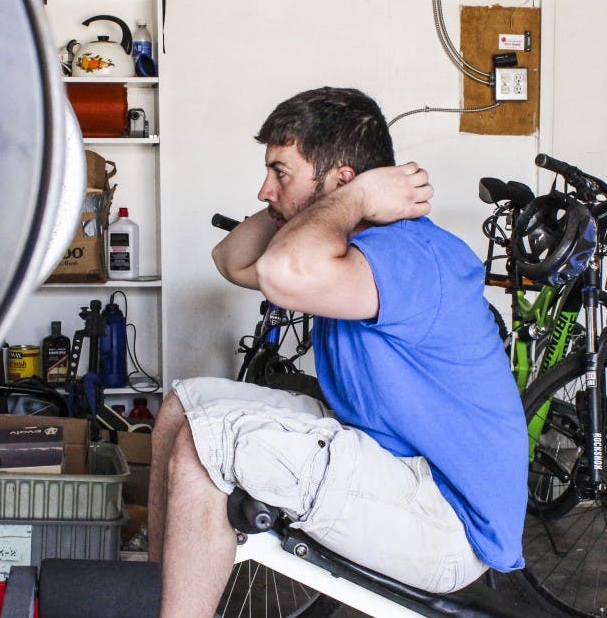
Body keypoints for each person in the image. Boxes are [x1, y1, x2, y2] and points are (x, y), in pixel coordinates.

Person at [147, 87, 527, 617]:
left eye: (280, 172)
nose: (263, 190)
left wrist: (353, 196)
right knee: (183, 407)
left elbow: (281, 273)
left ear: (344, 180)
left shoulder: (412, 254)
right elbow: (231, 258)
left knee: (204, 445)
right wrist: (319, 200)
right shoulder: (343, 244)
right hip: (389, 460)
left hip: (445, 519)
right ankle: (153, 594)